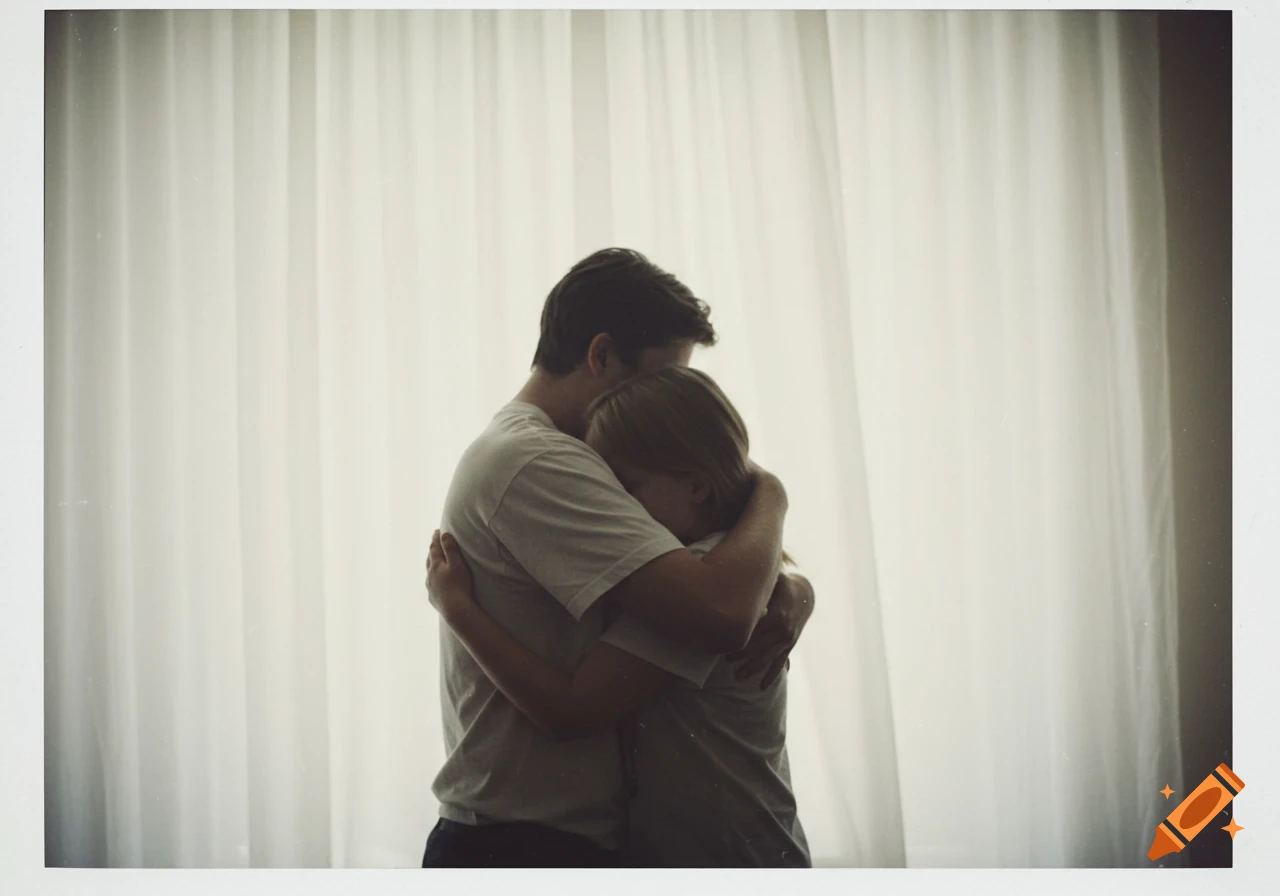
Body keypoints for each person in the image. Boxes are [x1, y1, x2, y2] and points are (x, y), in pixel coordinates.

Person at [421, 248, 815, 867]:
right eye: (658, 379)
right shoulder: (540, 460)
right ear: (601, 355)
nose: (663, 404)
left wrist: (791, 583)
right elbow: (718, 608)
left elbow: (720, 590)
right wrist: (771, 490)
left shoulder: (555, 455)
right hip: (525, 840)